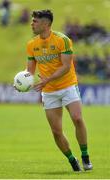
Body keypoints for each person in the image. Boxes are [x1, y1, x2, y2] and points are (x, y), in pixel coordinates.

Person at [25, 9, 93, 172]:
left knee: (77, 118)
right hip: (49, 91)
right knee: (56, 131)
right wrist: (22, 82)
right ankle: (72, 160)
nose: (32, 23)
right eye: (32, 20)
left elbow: (65, 66)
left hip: (68, 85)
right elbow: (29, 71)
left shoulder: (63, 40)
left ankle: (85, 155)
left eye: (35, 21)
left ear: (46, 23)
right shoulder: (31, 44)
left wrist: (47, 79)